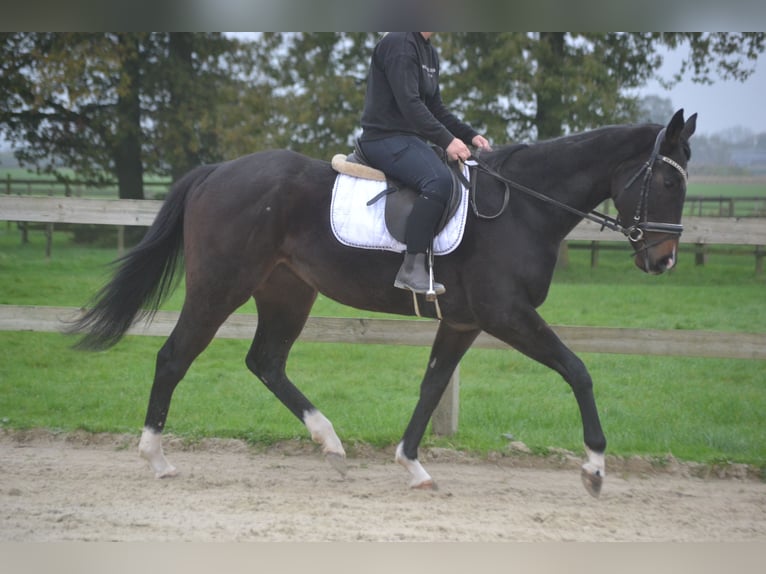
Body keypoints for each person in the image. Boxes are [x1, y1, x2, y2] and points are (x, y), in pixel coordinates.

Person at [358, 32, 492, 296]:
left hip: (409, 139)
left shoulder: (428, 52)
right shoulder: (399, 43)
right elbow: (409, 104)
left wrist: (468, 134)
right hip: (384, 138)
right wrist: (447, 141)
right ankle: (411, 268)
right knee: (438, 181)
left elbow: (436, 109)